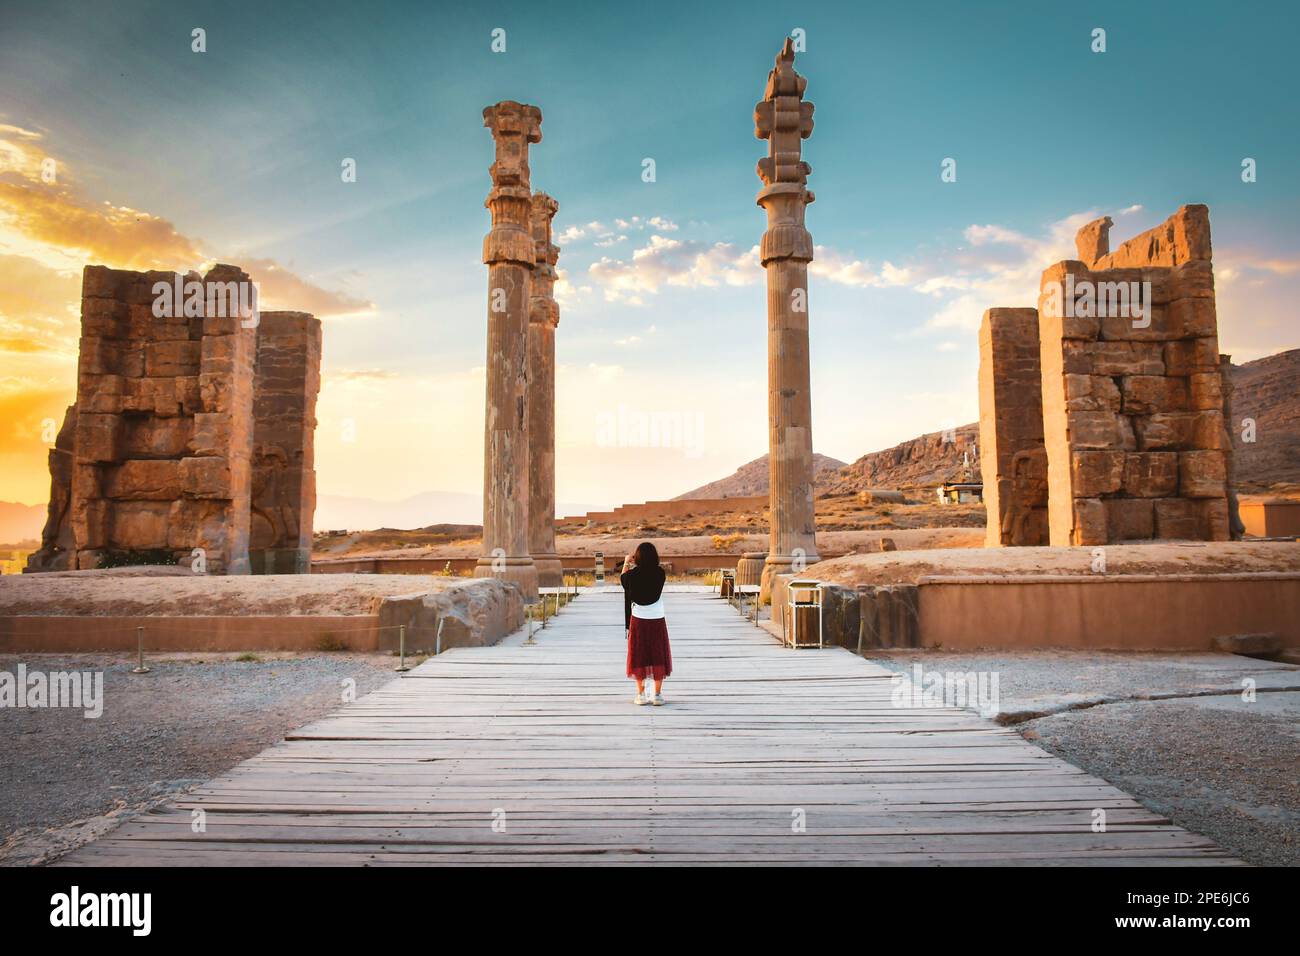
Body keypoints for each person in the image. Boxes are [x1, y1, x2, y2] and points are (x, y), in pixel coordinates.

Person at [620, 541, 672, 706]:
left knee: (638, 655)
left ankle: (641, 695)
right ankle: (657, 695)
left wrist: (627, 562)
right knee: (658, 654)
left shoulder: (632, 575)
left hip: (638, 619)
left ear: (638, 557)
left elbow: (623, 579)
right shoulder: (660, 574)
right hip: (657, 618)